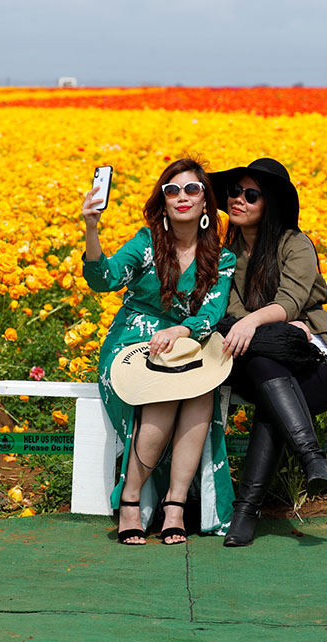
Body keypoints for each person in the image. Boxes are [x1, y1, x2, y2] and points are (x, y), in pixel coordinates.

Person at [81, 157, 237, 545]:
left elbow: (213, 313)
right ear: (163, 202)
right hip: (132, 343)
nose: (182, 197)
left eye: (192, 189)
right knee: (166, 393)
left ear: (206, 203)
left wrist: (180, 330)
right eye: (172, 190)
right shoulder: (145, 242)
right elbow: (105, 280)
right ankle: (130, 499)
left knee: (201, 389)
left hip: (186, 343)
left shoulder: (221, 256)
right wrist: (91, 228)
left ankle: (176, 504)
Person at [208, 158, 327, 548]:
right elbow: (229, 311)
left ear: (270, 203)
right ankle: (312, 459)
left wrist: (255, 323)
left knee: (270, 397)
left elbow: (290, 301)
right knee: (264, 365)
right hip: (254, 354)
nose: (238, 200)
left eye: (251, 194)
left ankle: (245, 512)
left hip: (316, 361)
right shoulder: (229, 250)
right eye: (234, 192)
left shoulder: (296, 244)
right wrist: (266, 327)